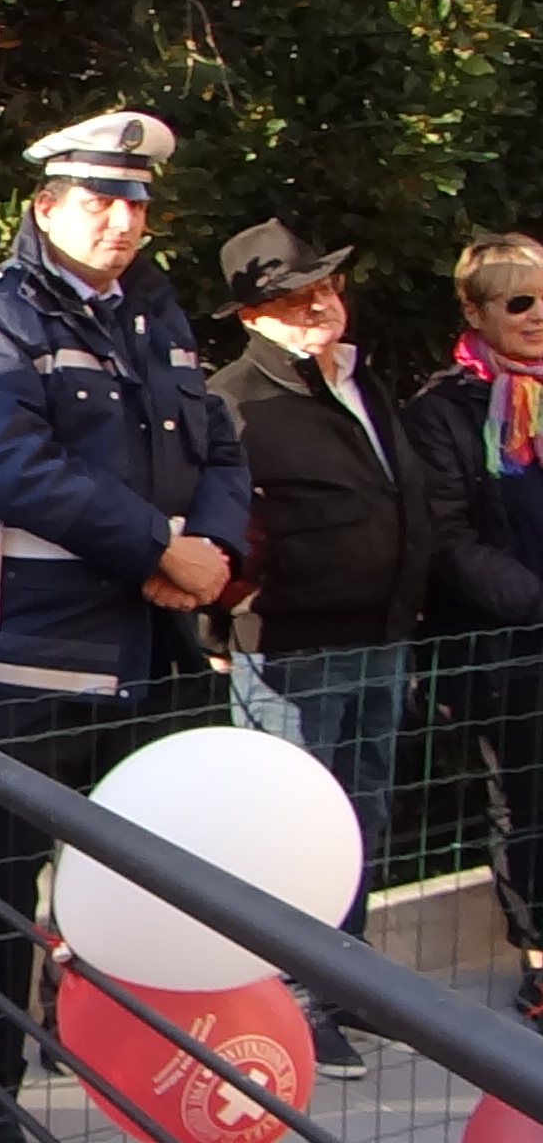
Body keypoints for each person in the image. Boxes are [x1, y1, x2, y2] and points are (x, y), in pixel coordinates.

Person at [0, 111, 250, 1141]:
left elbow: (223, 447)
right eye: (99, 199)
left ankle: (150, 1072)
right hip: (29, 659)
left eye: (135, 202)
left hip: (152, 649)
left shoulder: (161, 314)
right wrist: (160, 547)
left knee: (156, 884)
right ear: (46, 207)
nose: (120, 218)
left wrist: (214, 558)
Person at [207, 218, 428, 1078]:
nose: (319, 309)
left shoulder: (359, 376)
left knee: (365, 811)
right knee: (293, 829)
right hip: (291, 642)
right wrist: (224, 625)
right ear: (255, 316)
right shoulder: (234, 397)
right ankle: (295, 1000)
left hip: (382, 630)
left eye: (325, 291)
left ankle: (346, 983)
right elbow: (218, 522)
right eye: (296, 300)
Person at [403, 231, 543, 1032]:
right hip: (507, 643)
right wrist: (531, 599)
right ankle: (537, 961)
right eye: (518, 301)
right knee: (529, 805)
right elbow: (447, 539)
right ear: (475, 310)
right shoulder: (444, 410)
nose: (536, 317)